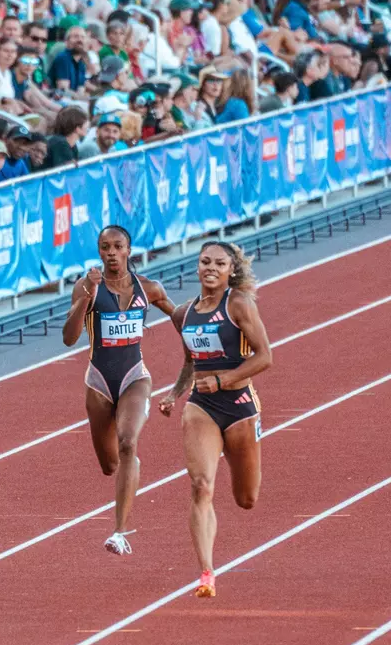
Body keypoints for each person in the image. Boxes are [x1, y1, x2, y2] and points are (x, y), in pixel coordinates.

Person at [159, 242, 273, 597]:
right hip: (201, 406)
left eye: (219, 263)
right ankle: (206, 572)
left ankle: (210, 562)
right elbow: (190, 363)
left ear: (230, 270)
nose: (210, 267)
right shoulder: (183, 314)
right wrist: (175, 393)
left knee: (246, 498)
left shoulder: (238, 304)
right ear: (197, 267)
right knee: (201, 485)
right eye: (205, 261)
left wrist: (223, 380)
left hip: (239, 403)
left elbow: (265, 356)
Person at [62, 225, 174, 555]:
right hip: (98, 382)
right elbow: (69, 338)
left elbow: (181, 317)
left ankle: (120, 531)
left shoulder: (149, 288)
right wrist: (86, 296)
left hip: (134, 377)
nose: (111, 252)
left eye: (117, 246)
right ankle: (125, 469)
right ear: (99, 252)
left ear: (128, 250)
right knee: (109, 465)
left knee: (128, 442)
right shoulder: (88, 288)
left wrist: (206, 342)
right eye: (105, 247)